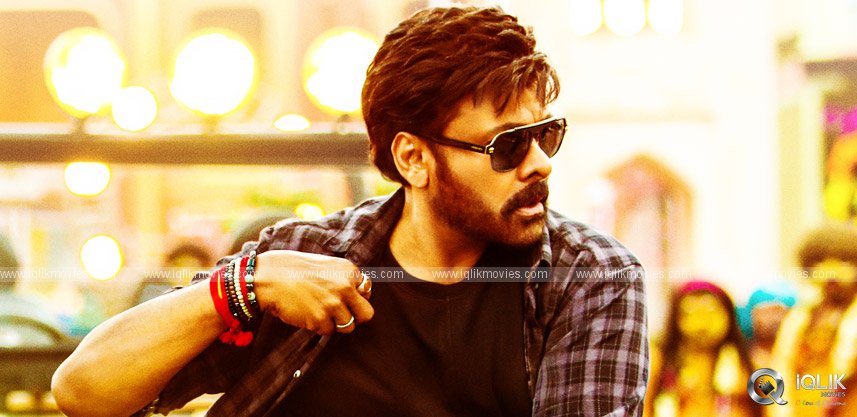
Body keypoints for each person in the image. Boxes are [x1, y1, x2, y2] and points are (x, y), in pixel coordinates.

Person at [51, 6, 648, 417]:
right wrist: (246, 283)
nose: (540, 163)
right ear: (414, 159)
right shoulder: (301, 260)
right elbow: (84, 392)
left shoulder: (589, 277)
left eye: (546, 134)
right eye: (508, 145)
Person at [645, 280, 759, 417]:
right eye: (691, 313)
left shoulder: (752, 362)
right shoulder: (659, 362)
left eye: (711, 312)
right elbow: (644, 409)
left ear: (729, 316)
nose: (702, 323)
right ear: (676, 320)